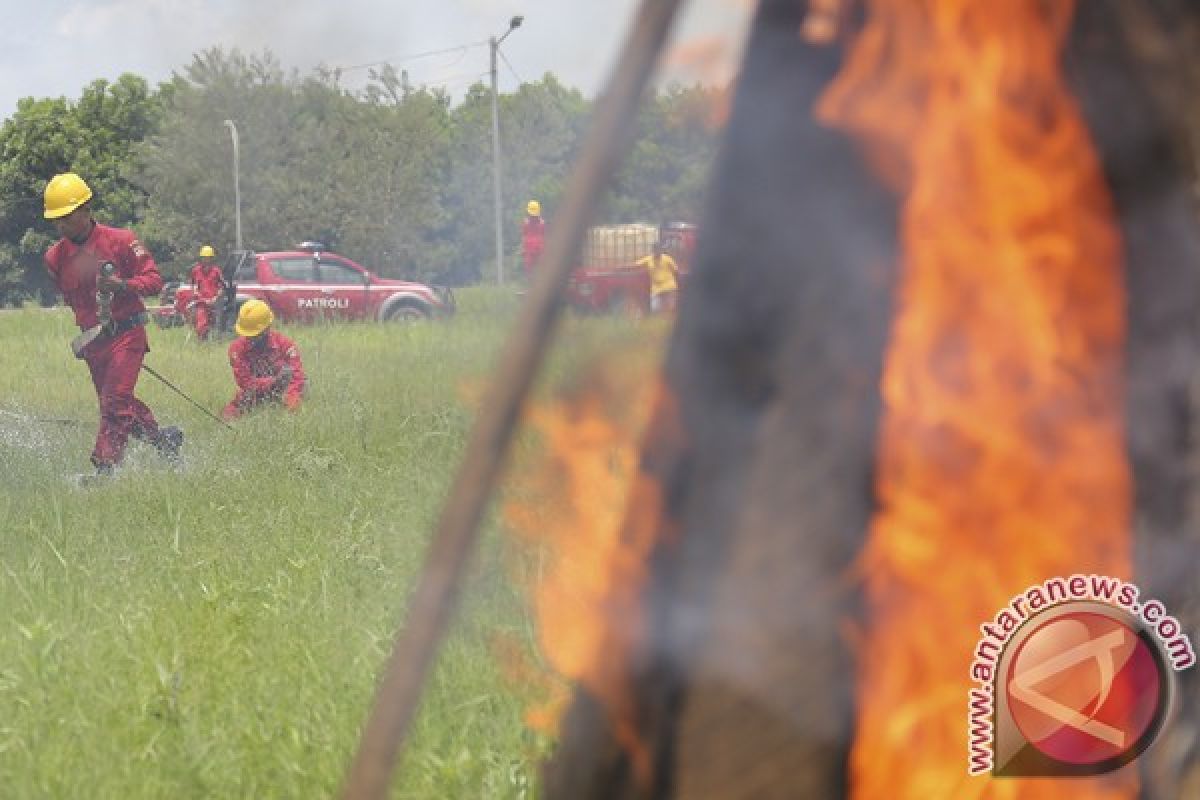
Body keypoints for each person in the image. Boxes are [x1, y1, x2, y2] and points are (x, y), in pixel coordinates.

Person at [42, 172, 182, 476]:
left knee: (113, 401)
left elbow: (155, 281)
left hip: (127, 333)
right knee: (119, 405)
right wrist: (83, 338)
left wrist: (123, 285)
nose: (60, 225)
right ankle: (164, 442)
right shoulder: (54, 258)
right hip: (94, 342)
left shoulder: (121, 240)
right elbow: (74, 302)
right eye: (55, 220)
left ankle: (105, 469)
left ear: (85, 209)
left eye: (65, 217)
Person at [223, 299, 306, 420]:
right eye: (248, 335)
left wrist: (291, 406)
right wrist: (273, 382)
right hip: (254, 392)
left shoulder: (286, 345)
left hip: (285, 389)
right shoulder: (236, 350)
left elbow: (296, 378)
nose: (251, 340)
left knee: (300, 395)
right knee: (228, 415)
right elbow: (245, 383)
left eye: (255, 335)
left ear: (267, 328)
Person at [188, 244, 225, 340]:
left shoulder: (216, 271)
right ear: (201, 258)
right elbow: (193, 285)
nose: (206, 260)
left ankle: (214, 341)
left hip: (214, 302)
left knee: (214, 324)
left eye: (208, 258)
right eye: (204, 258)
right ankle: (201, 343)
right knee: (201, 324)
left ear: (211, 258)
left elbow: (221, 287)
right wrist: (196, 294)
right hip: (201, 302)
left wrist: (216, 298)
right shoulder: (195, 271)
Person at [637, 240, 681, 314]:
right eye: (655, 249)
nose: (657, 251)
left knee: (671, 308)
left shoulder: (667, 258)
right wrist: (620, 267)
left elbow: (676, 271)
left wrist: (678, 285)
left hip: (669, 286)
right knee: (655, 309)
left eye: (658, 249)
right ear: (653, 250)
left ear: (661, 250)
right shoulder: (648, 259)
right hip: (656, 288)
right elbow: (635, 265)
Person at [521, 200, 546, 278]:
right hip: (535, 248)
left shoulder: (526, 223)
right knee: (532, 268)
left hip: (534, 249)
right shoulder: (542, 223)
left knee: (531, 268)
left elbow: (524, 235)